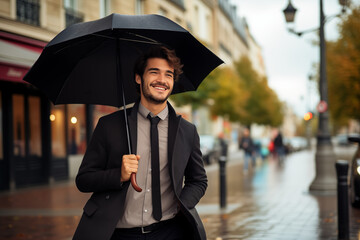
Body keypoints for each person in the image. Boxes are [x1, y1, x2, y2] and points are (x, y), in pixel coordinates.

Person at [73, 46, 208, 240]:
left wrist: (182, 204)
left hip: (170, 232)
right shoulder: (109, 126)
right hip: (118, 234)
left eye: (168, 75)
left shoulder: (187, 131)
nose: (162, 80)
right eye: (154, 72)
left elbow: (199, 180)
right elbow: (83, 179)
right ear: (138, 77)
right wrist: (118, 175)